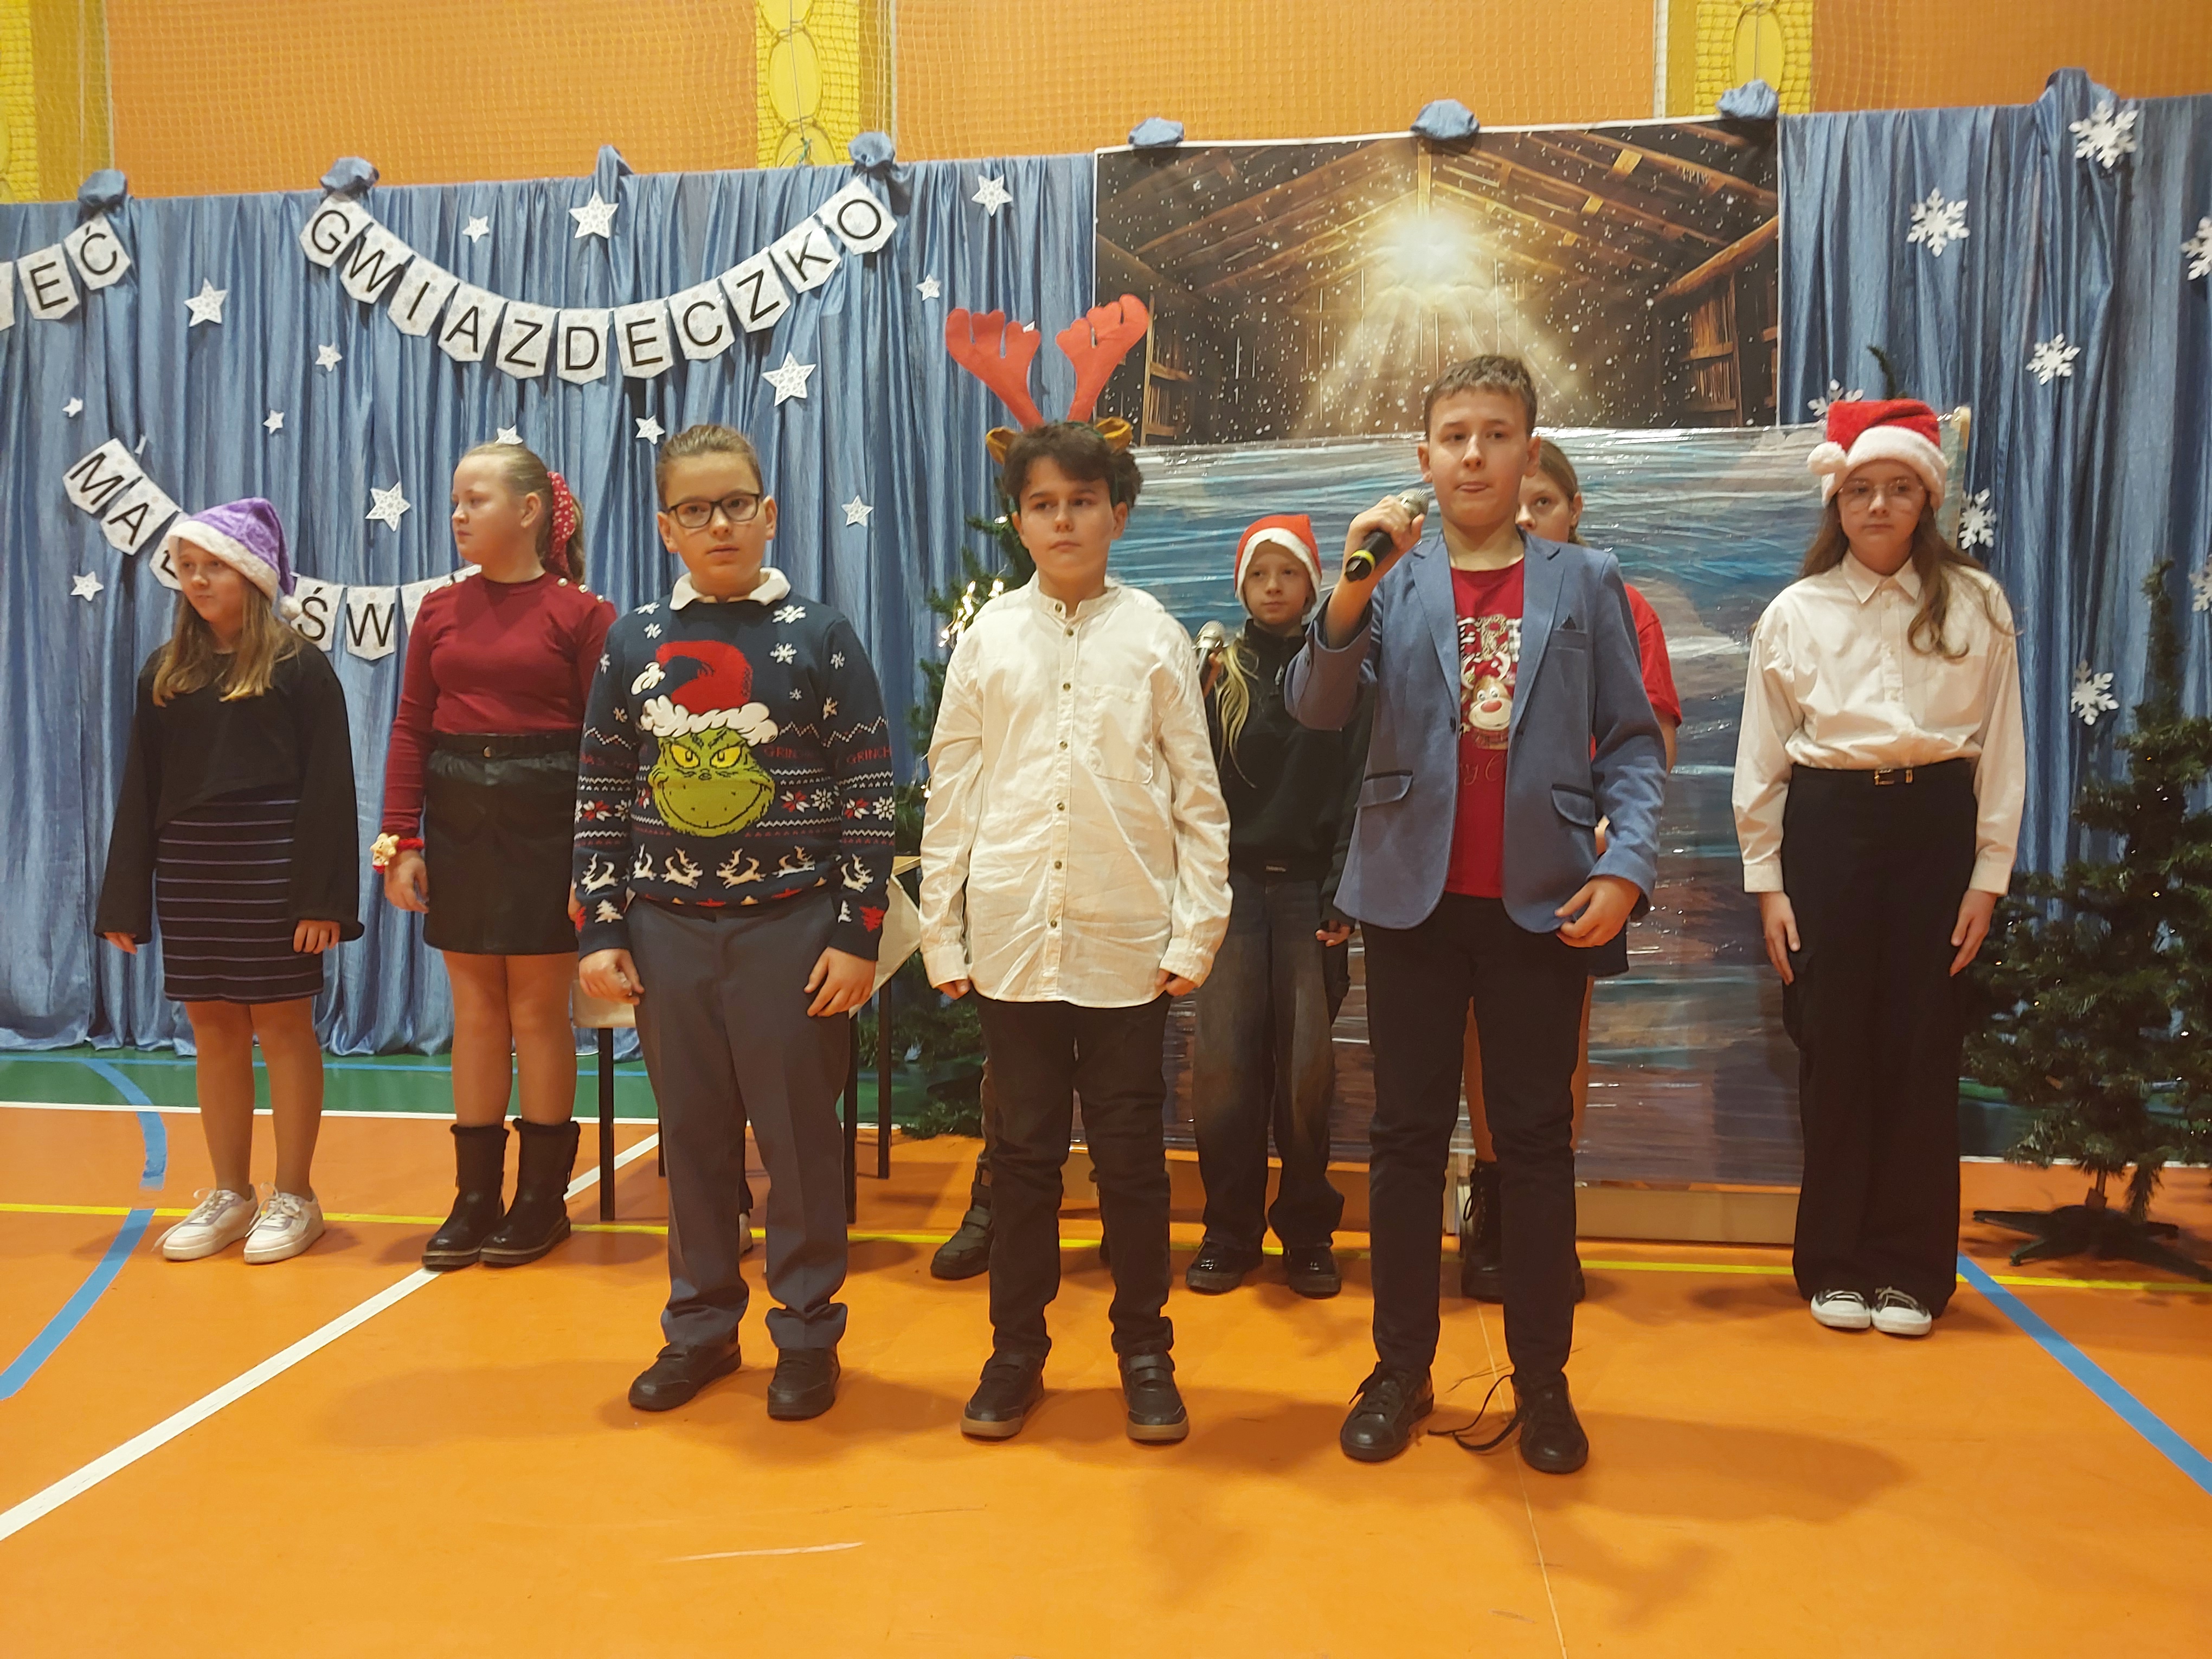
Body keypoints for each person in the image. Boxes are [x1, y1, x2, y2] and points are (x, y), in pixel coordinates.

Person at [1287, 356, 1666, 1476]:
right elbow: (1316, 707)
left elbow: (1633, 744)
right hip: (1410, 900)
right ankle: (1399, 1369)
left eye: (1497, 435)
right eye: (1454, 435)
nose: (1473, 454)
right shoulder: (1389, 583)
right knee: (1404, 1141)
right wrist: (1350, 584)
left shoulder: (1585, 582)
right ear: (1423, 456)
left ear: (1527, 451)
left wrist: (1627, 866)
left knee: (1535, 1146)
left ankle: (1544, 1382)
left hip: (1541, 905)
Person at [920, 421, 1231, 1445]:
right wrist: (943, 934)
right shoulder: (988, 639)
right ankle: (1015, 1354)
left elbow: (1196, 796)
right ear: (1019, 521)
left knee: (1133, 1163)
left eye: (1083, 503)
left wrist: (1195, 932)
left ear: (1118, 514)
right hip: (1014, 944)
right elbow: (954, 790)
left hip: (1125, 945)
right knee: (1022, 1164)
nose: (1063, 522)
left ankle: (1146, 1353)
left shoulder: (1155, 637)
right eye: (1043, 505)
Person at [577, 423, 894, 1422]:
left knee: (799, 1147)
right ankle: (702, 1328)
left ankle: (806, 1333)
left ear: (769, 513)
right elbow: (599, 793)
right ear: (666, 527)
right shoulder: (632, 644)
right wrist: (602, 927)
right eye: (695, 509)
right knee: (694, 1142)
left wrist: (856, 932)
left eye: (736, 504)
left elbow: (869, 793)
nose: (719, 524)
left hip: (792, 935)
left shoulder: (822, 636)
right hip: (667, 936)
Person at [1733, 397, 2023, 1339]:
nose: (1879, 506)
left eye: (1900, 488)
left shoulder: (1977, 605)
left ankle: (1911, 1270)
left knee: (1922, 1047)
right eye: (1861, 489)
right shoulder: (1796, 613)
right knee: (1836, 1046)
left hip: (1936, 830)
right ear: (1837, 501)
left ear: (1927, 499)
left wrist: (1987, 876)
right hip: (1831, 834)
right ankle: (1835, 1262)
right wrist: (1769, 884)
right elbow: (1762, 760)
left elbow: (2003, 749)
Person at [97, 499, 359, 1264]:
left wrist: (321, 899)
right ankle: (230, 1192)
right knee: (212, 1028)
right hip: (194, 872)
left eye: (214, 566)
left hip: (272, 870)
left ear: (253, 574)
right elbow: (141, 789)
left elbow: (330, 789)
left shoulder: (300, 667)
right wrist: (124, 898)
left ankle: (296, 1195)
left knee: (282, 1026)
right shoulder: (165, 673)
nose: (199, 580)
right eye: (188, 568)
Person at [378, 442, 615, 1271]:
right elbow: (412, 727)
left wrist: (595, 858)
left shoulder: (583, 615)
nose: (457, 515)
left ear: (529, 511)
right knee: (475, 1011)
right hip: (460, 824)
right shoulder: (438, 611)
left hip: (548, 822)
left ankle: (542, 1202)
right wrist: (402, 841)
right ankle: (474, 1197)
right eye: (454, 501)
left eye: (474, 500)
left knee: (539, 1012)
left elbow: (607, 747)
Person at [1458, 439, 1683, 1301]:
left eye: (1543, 502)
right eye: (1516, 501)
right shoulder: (1462, 598)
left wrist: (1613, 842)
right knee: (1477, 1037)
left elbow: (1647, 740)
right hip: (1469, 867)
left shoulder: (1614, 599)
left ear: (1575, 509)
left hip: (1570, 867)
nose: (1525, 517)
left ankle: (1544, 1213)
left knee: (1558, 1047)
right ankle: (1491, 1202)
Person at [1183, 514, 1367, 1300]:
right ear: (1241, 585)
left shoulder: (1344, 675)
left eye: (1288, 573)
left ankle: (1307, 1232)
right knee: (1223, 1071)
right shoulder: (1216, 674)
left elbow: (1358, 785)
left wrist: (1342, 888)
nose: (1272, 588)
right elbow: (1189, 787)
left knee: (1305, 1076)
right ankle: (1229, 1231)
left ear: (1314, 582)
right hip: (1229, 891)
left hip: (1308, 898)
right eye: (1258, 574)